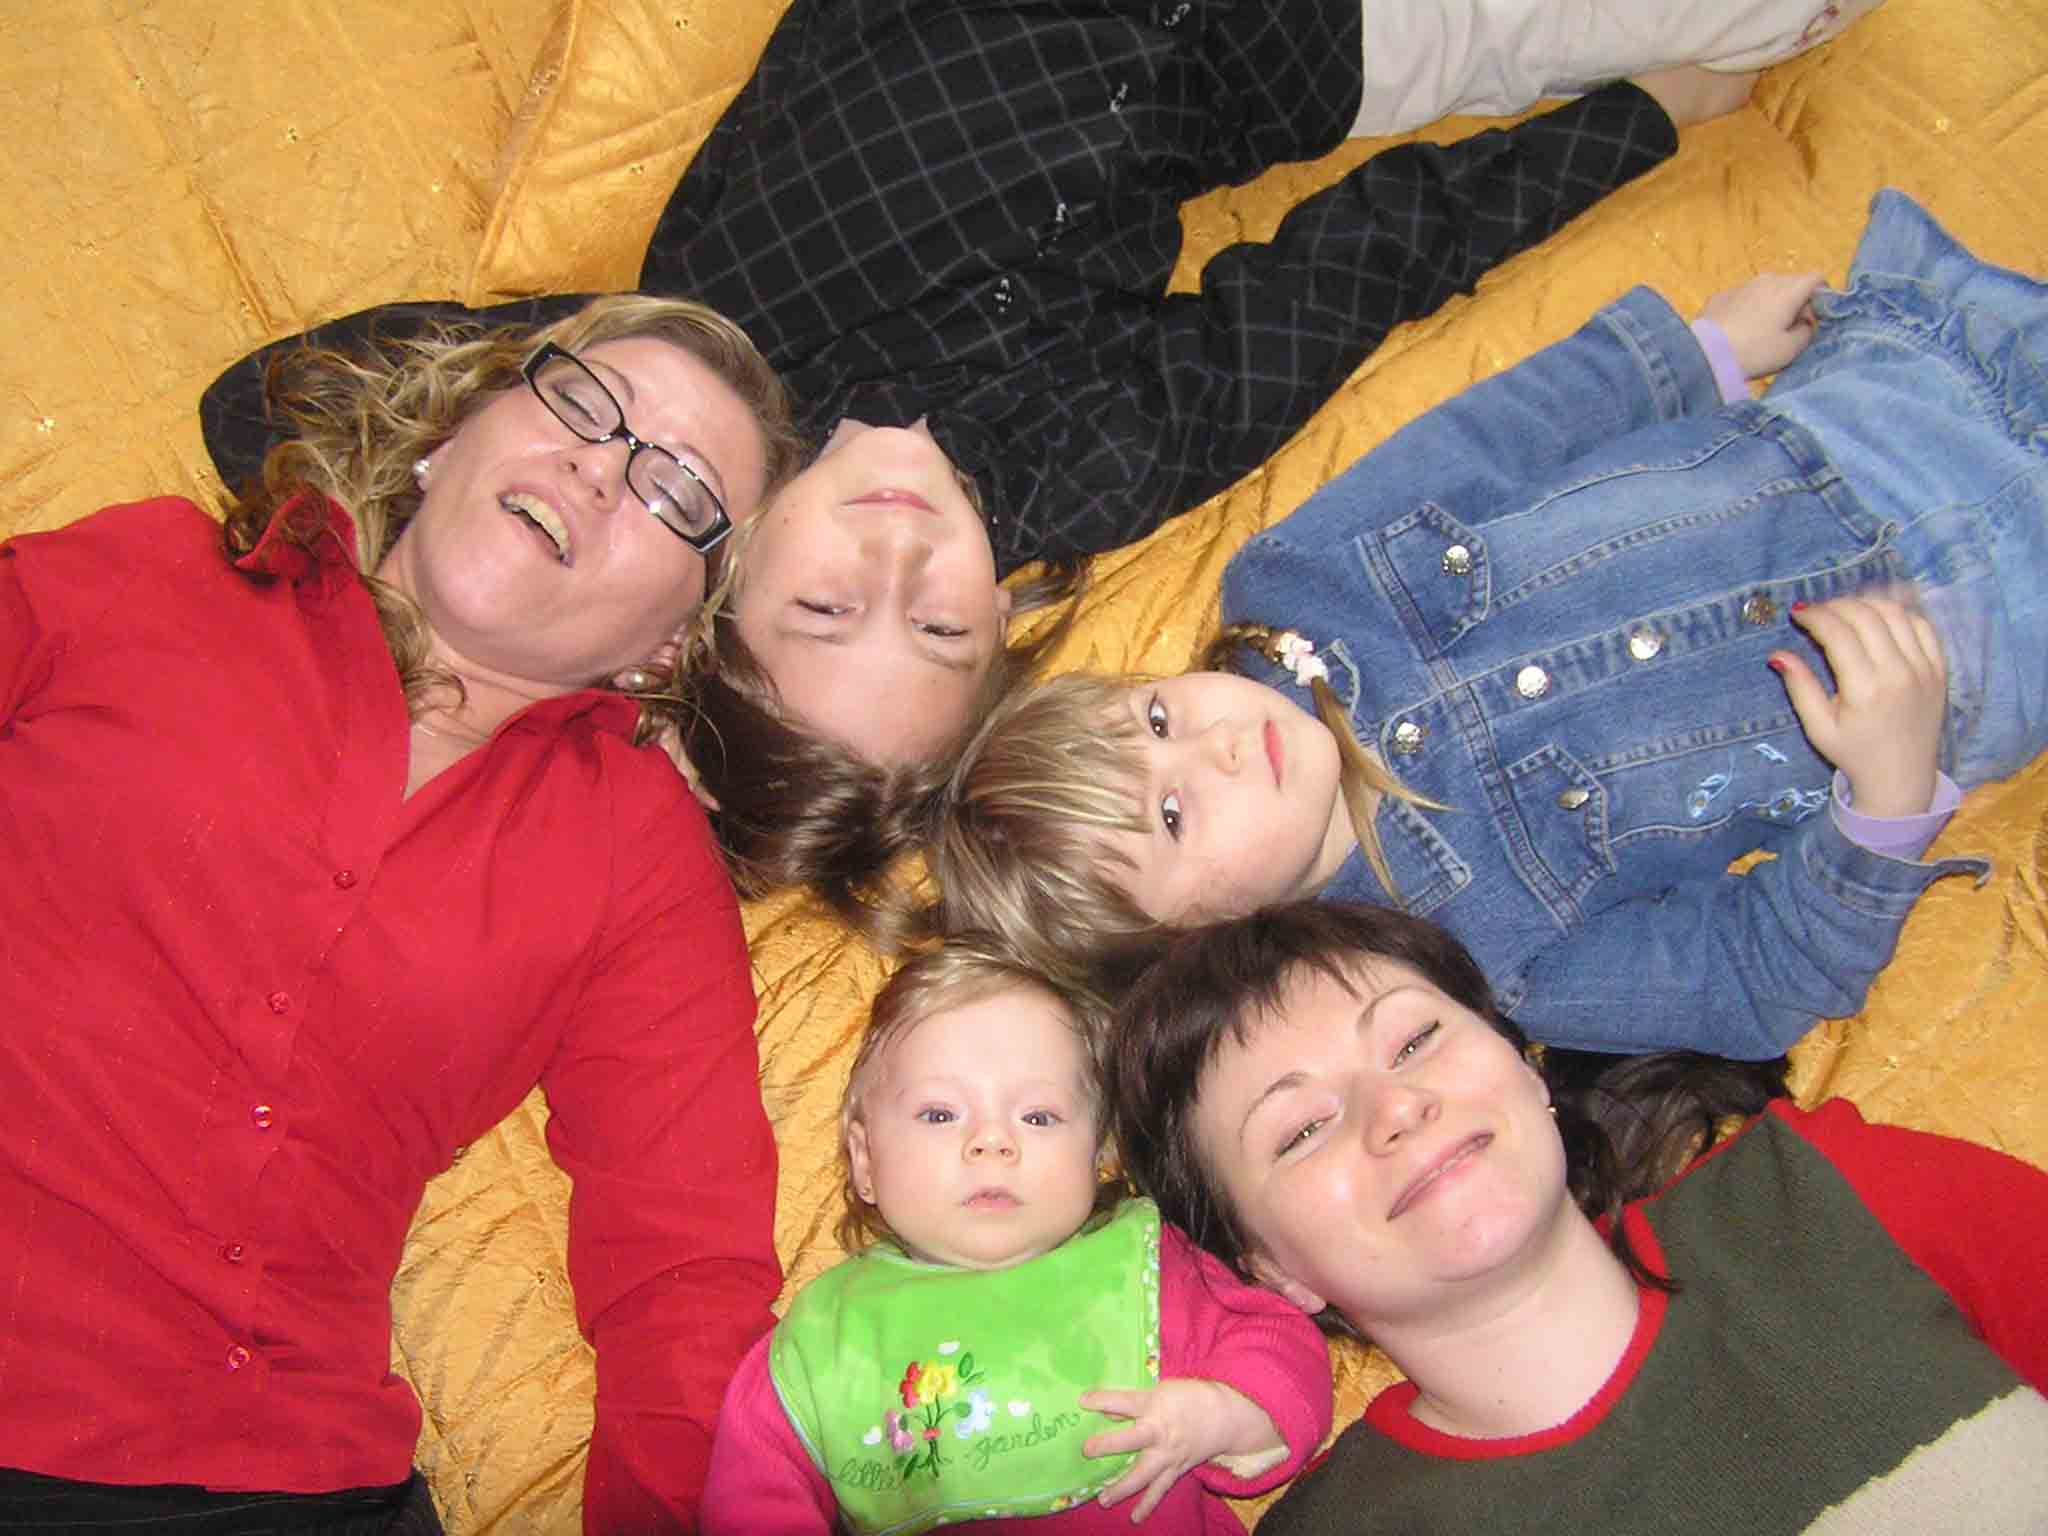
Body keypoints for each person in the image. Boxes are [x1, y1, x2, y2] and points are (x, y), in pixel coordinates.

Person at [199, 0, 1844, 896]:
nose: (901, 553)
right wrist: (1637, 117)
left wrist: (497, 660)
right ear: (1002, 618)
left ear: (719, 577)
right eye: (936, 622)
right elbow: (1349, 274)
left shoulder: (688, 367)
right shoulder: (1085, 464)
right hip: (1308, 35)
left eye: (827, 604)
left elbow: (260, 404)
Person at [0, 295, 806, 1531]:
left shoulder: (635, 853)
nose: (600, 470)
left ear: (669, 642)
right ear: (451, 430)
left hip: (270, 1488)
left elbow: (682, 1280)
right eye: (583, 402)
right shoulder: (147, 574)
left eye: (677, 489)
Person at [934, 189, 2048, 1059]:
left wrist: (1698, 352)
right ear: (1190, 943)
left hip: (1867, 416)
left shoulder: (1297, 580)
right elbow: (1745, 982)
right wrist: (1885, 796)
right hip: (1986, 647)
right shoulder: (1469, 955)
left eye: (1155, 718)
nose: (1213, 746)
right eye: (1172, 814)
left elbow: (1492, 436)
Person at [1106, 899, 2048, 1533]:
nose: (1396, 1109)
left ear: (1526, 1068)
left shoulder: (1821, 1188)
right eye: (1303, 1129)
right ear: (1268, 1269)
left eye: (1417, 1039)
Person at [700, 941, 1332, 1533]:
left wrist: (1222, 1414)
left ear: (1098, 1154)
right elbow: (751, 1502)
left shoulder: (1149, 1269)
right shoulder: (827, 1339)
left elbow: (1282, 1345)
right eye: (939, 1113)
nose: (993, 1141)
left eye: (1038, 1116)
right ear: (864, 1160)